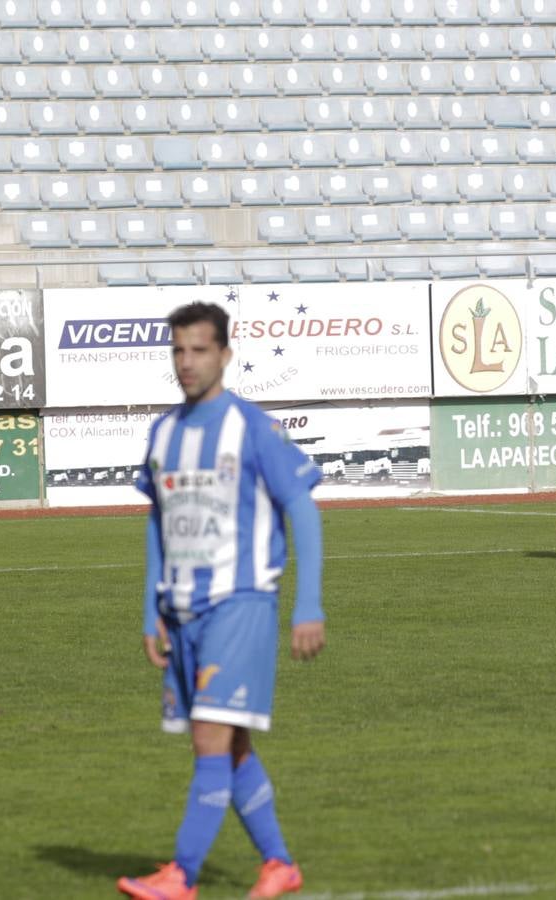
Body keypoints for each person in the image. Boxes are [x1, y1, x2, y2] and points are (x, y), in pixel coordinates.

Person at [118, 302, 324, 900]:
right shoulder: (164, 432)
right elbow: (161, 522)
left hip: (241, 605)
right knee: (229, 746)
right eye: (178, 350)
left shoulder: (252, 428)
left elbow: (303, 510)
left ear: (225, 355)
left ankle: (181, 875)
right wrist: (150, 607)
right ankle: (279, 865)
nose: (187, 362)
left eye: (199, 350)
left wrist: (307, 605)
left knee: (209, 738)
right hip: (182, 613)